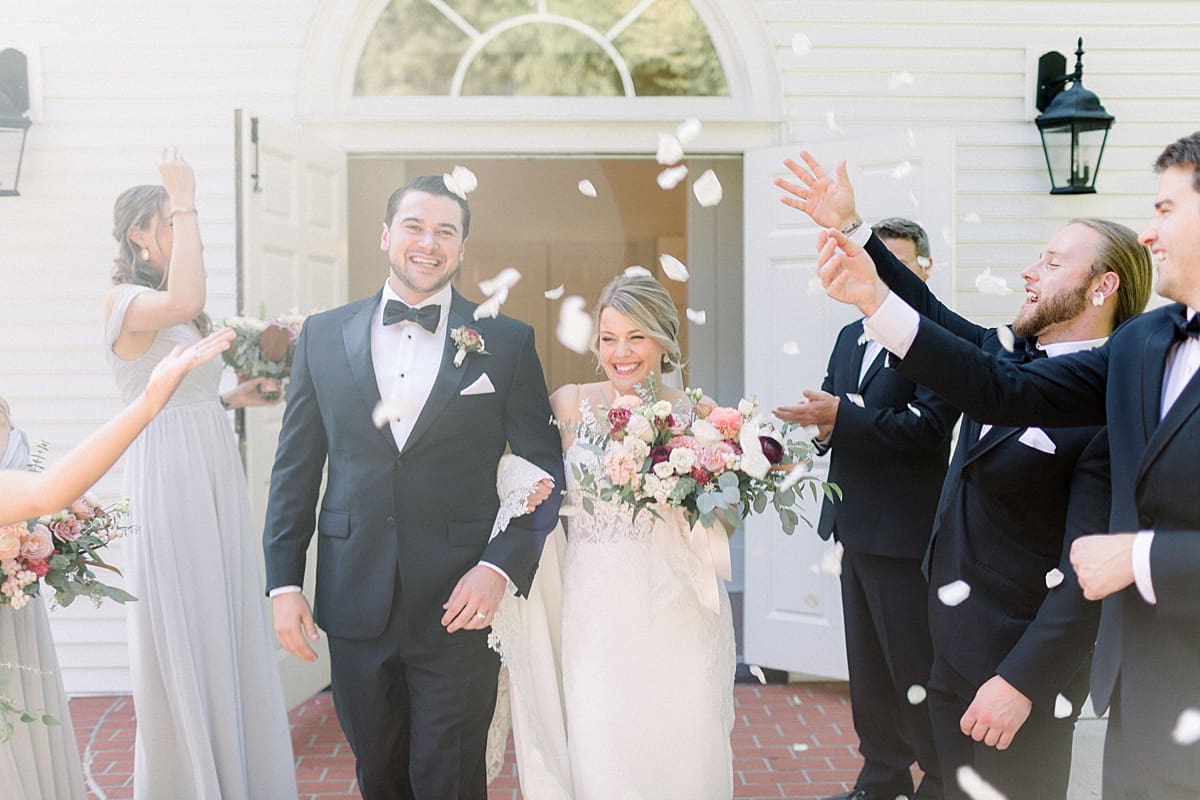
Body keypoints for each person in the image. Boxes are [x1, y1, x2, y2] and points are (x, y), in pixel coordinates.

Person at [808, 131, 1200, 799]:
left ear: (1102, 285)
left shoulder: (1111, 385)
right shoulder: (1123, 348)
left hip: (1034, 666)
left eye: (1164, 209)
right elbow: (955, 344)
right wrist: (859, 249)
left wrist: (1024, 677)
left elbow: (1086, 565)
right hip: (957, 652)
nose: (1149, 231)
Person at [262, 174, 564, 800]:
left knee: (451, 777)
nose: (428, 243)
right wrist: (283, 583)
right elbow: (295, 470)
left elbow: (545, 472)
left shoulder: (506, 343)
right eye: (414, 226)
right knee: (379, 773)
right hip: (353, 597)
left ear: (461, 247)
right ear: (385, 236)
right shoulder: (321, 335)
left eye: (445, 232)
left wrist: (499, 569)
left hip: (461, 602)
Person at [104, 150, 297, 799]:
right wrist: (183, 191)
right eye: (172, 223)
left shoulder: (174, 312)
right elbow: (188, 297)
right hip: (167, 476)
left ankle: (239, 775)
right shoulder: (126, 301)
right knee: (189, 621)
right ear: (140, 234)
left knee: (223, 618)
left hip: (210, 467)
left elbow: (185, 388)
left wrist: (230, 399)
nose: (186, 232)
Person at [527, 272, 737, 799]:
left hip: (679, 604)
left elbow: (728, 517)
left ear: (664, 338)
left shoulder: (700, 413)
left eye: (636, 336)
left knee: (685, 740)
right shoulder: (570, 405)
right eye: (608, 338)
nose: (621, 353)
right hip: (596, 611)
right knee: (603, 740)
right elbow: (514, 466)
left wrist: (690, 492)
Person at [0, 332, 231, 800]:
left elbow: (40, 495)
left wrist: (42, 532)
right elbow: (46, 490)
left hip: (16, 619)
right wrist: (149, 401)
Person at [773, 216, 957, 800]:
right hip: (854, 526)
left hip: (906, 533)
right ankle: (882, 777)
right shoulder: (849, 337)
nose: (883, 276)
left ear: (924, 270)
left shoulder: (939, 345)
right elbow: (836, 407)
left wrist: (843, 418)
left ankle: (940, 779)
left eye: (898, 266)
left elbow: (927, 431)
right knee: (870, 672)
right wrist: (823, 431)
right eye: (877, 264)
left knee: (912, 671)